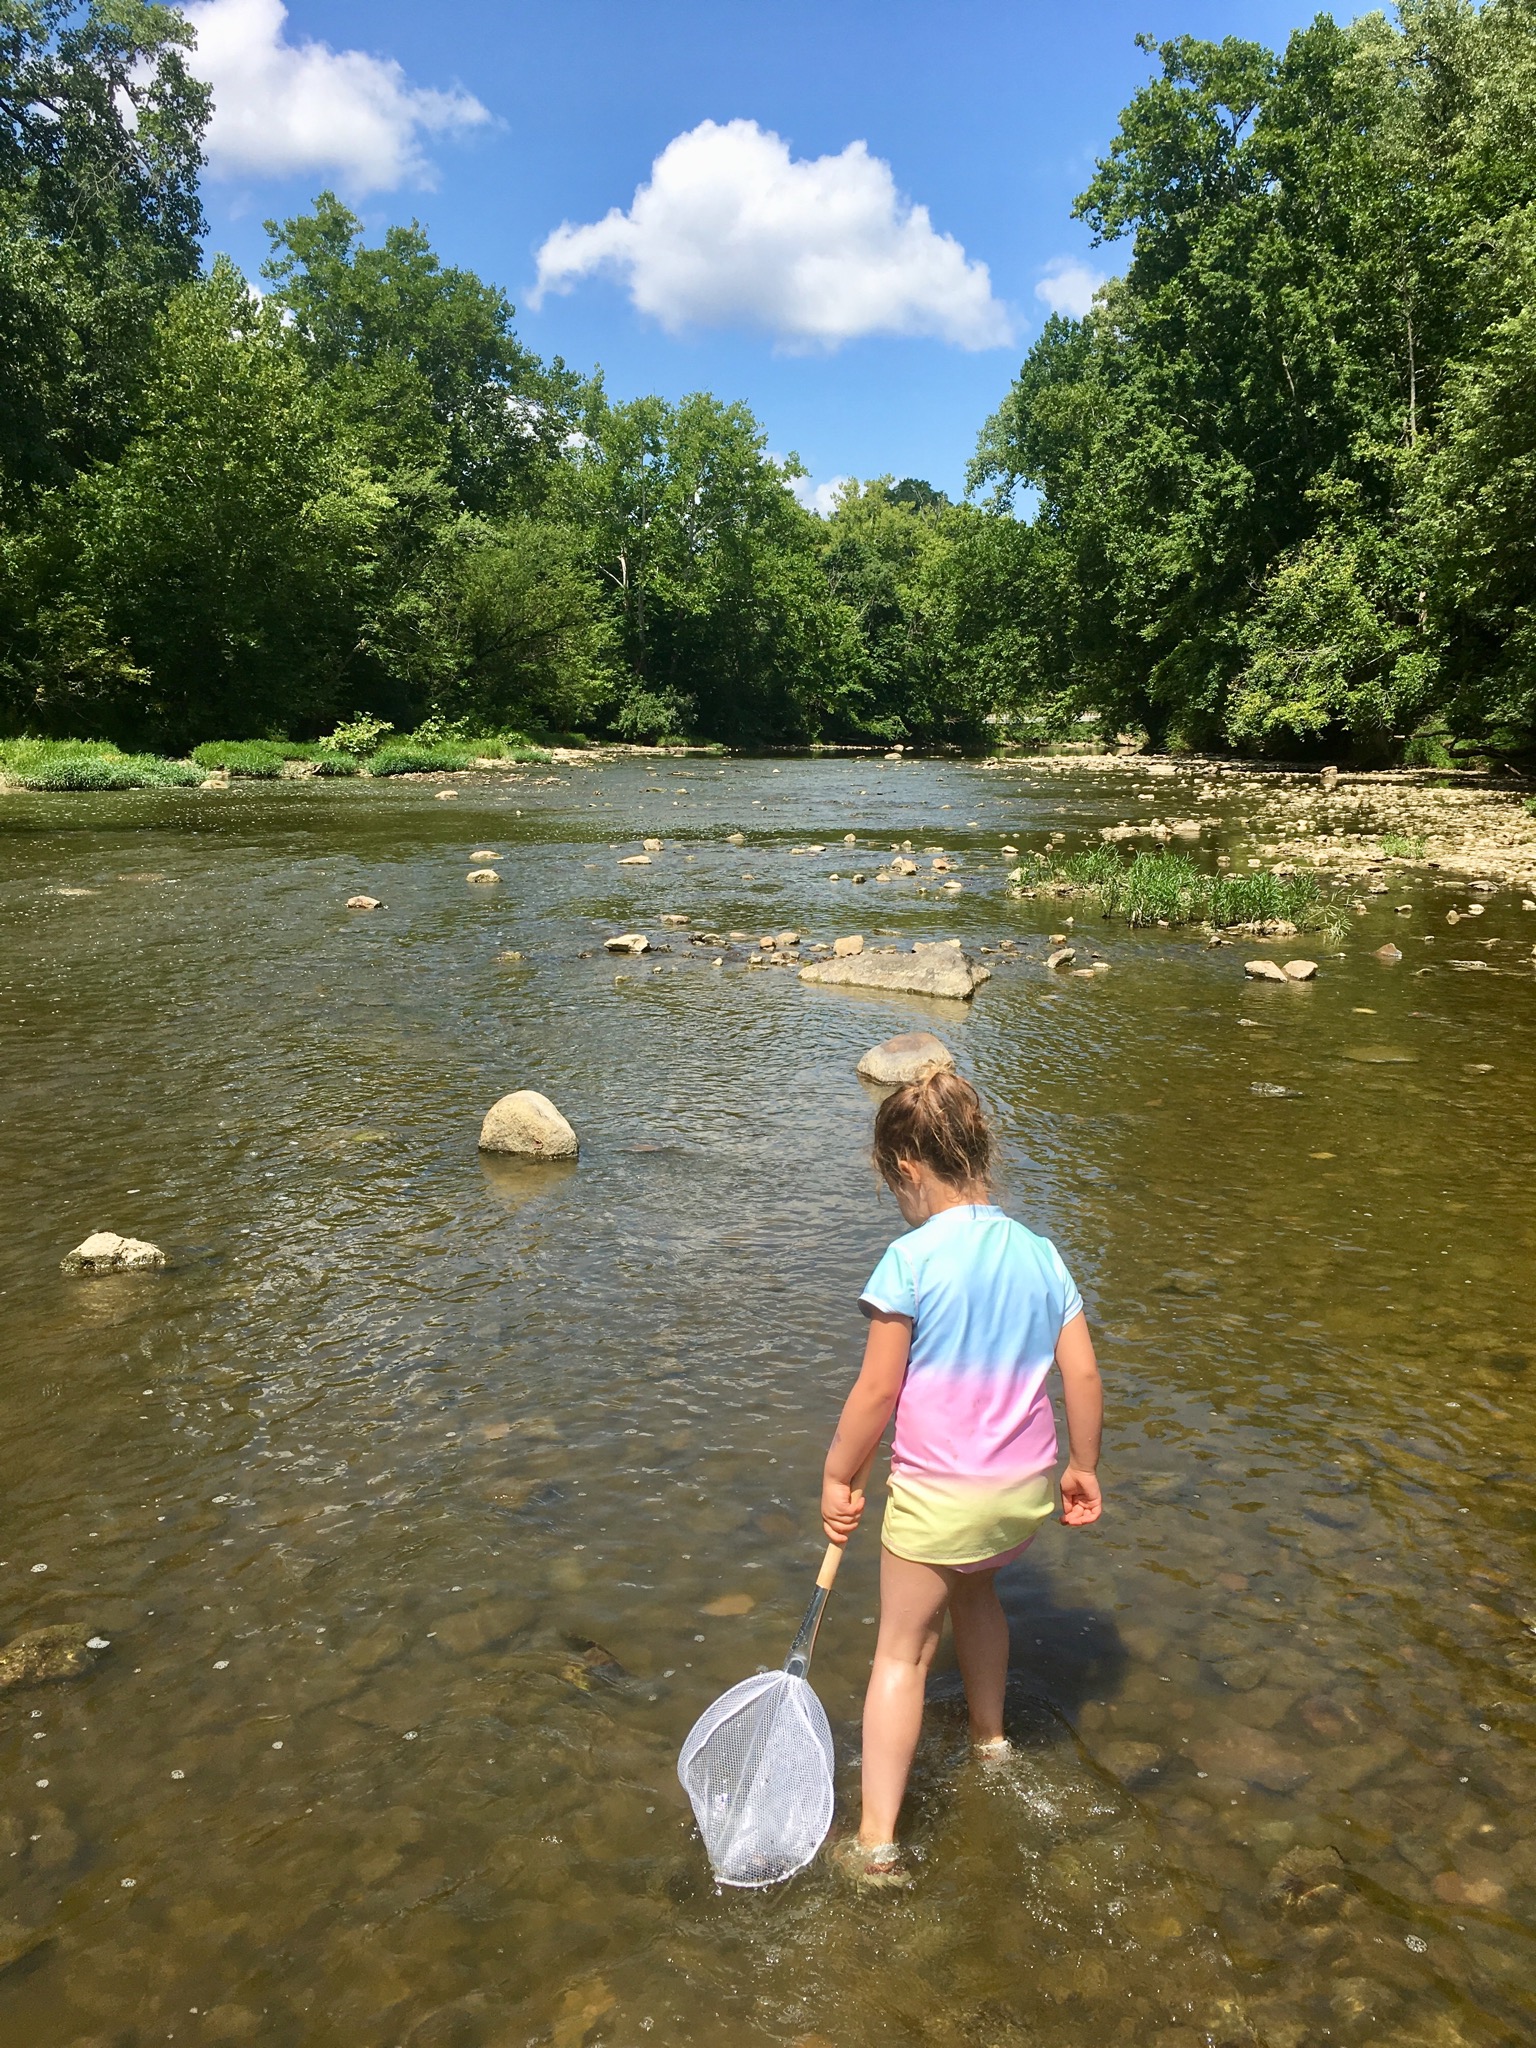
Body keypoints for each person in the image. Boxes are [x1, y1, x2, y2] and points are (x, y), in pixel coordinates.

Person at [821, 1069, 1103, 1881]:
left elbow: (877, 1390)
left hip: (941, 1494)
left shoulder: (909, 1260)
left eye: (891, 1185)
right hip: (1020, 1494)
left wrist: (839, 1476)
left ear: (907, 1168)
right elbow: (1080, 1377)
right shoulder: (1043, 1255)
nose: (895, 1203)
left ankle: (876, 1841)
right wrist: (1083, 1467)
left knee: (902, 1654)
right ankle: (992, 1741)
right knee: (977, 1592)